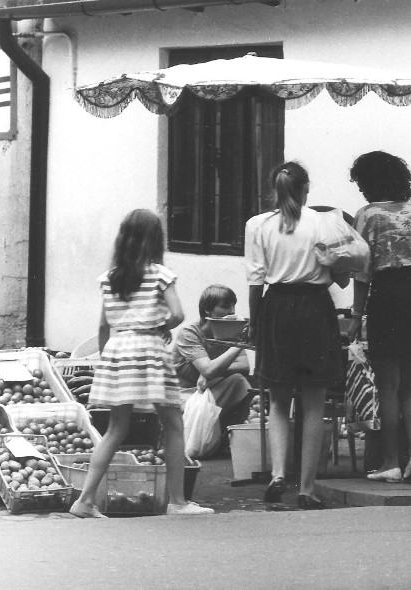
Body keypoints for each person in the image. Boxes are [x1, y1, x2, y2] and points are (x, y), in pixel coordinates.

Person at [69, 209, 214, 518]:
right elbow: (177, 315)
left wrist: (109, 360)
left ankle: (85, 500)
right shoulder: (160, 274)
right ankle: (178, 501)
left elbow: (103, 327)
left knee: (116, 429)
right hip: (149, 348)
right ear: (155, 240)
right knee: (173, 423)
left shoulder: (110, 279)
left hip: (118, 349)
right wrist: (161, 326)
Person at [245, 161, 345, 510]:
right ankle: (306, 488)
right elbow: (341, 273)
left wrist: (256, 323)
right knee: (314, 403)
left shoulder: (258, 225)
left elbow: (256, 280)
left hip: (277, 309)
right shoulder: (323, 222)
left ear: (276, 190)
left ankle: (276, 476)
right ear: (306, 189)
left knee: (277, 401)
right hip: (316, 309)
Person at [346, 151, 411, 483]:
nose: (360, 190)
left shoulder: (367, 215)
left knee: (387, 384)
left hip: (387, 295)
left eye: (361, 182)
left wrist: (357, 315)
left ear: (372, 182)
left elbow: (361, 270)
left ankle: (391, 461)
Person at [173, 284, 254, 450]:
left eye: (233, 306)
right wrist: (239, 345)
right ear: (207, 311)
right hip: (183, 395)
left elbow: (244, 367)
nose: (232, 312)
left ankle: (229, 437)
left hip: (211, 390)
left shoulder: (233, 331)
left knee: (240, 382)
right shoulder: (190, 333)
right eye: (225, 307)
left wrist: (211, 375)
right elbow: (208, 369)